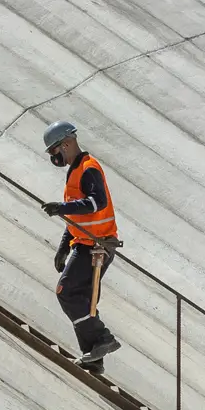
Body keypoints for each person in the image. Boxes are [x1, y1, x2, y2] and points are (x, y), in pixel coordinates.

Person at [40, 121, 121, 372]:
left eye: (55, 151)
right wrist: (63, 247)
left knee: (67, 292)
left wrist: (62, 208)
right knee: (82, 300)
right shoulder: (74, 172)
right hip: (85, 242)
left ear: (66, 144)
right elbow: (78, 216)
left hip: (97, 246)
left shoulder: (88, 169)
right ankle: (93, 357)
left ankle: (103, 338)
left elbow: (96, 203)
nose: (55, 156)